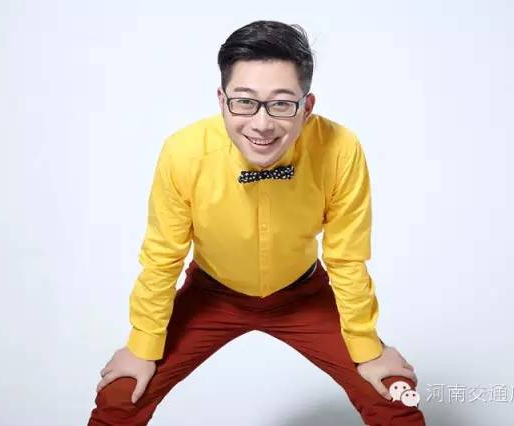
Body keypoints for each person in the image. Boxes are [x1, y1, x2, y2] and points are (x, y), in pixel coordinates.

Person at [88, 20, 426, 426]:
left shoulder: (340, 149)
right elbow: (163, 257)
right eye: (244, 102)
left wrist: (368, 349)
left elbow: (347, 257)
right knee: (121, 396)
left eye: (281, 104)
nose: (261, 124)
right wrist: (142, 346)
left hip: (303, 294)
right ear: (222, 100)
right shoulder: (183, 152)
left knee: (393, 394)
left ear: (307, 107)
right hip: (211, 294)